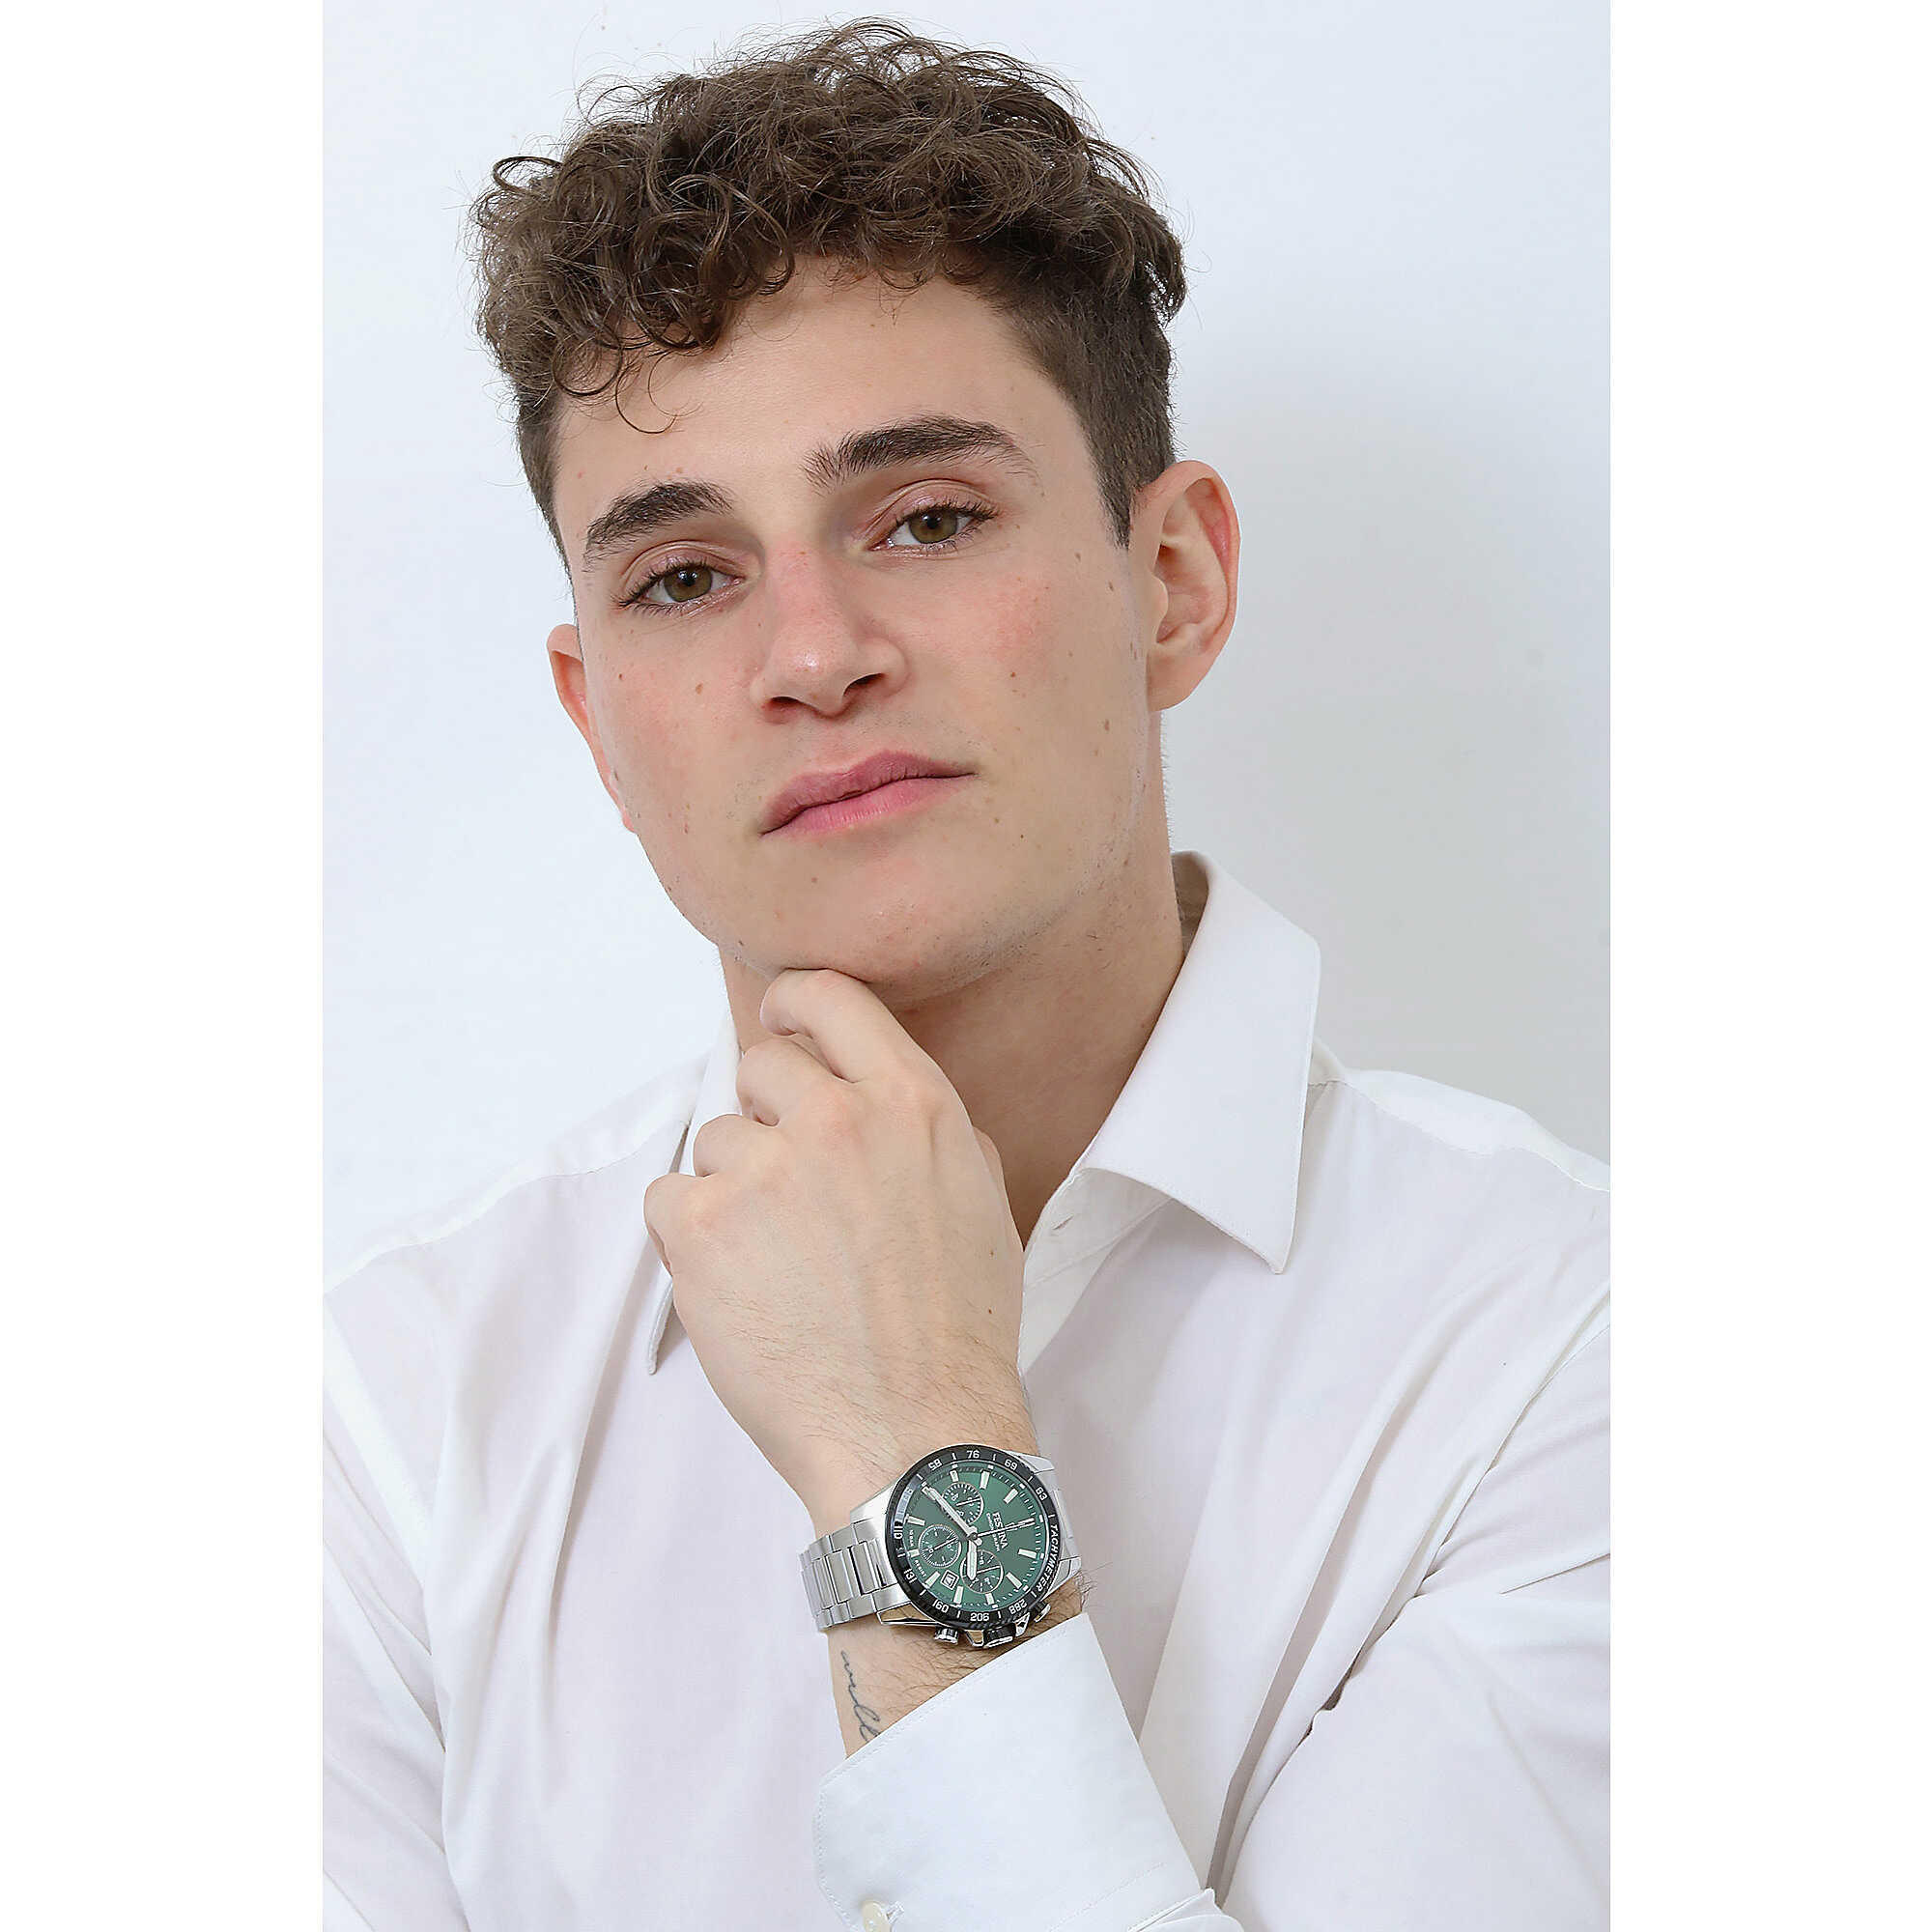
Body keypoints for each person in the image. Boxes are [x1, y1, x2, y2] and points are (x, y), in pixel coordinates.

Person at [324, 18, 1608, 1929]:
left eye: (926, 518)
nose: (812, 653)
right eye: (684, 576)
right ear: (598, 721)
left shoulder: (1577, 1353)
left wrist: (908, 1447)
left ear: (1172, 582)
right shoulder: (391, 1413)